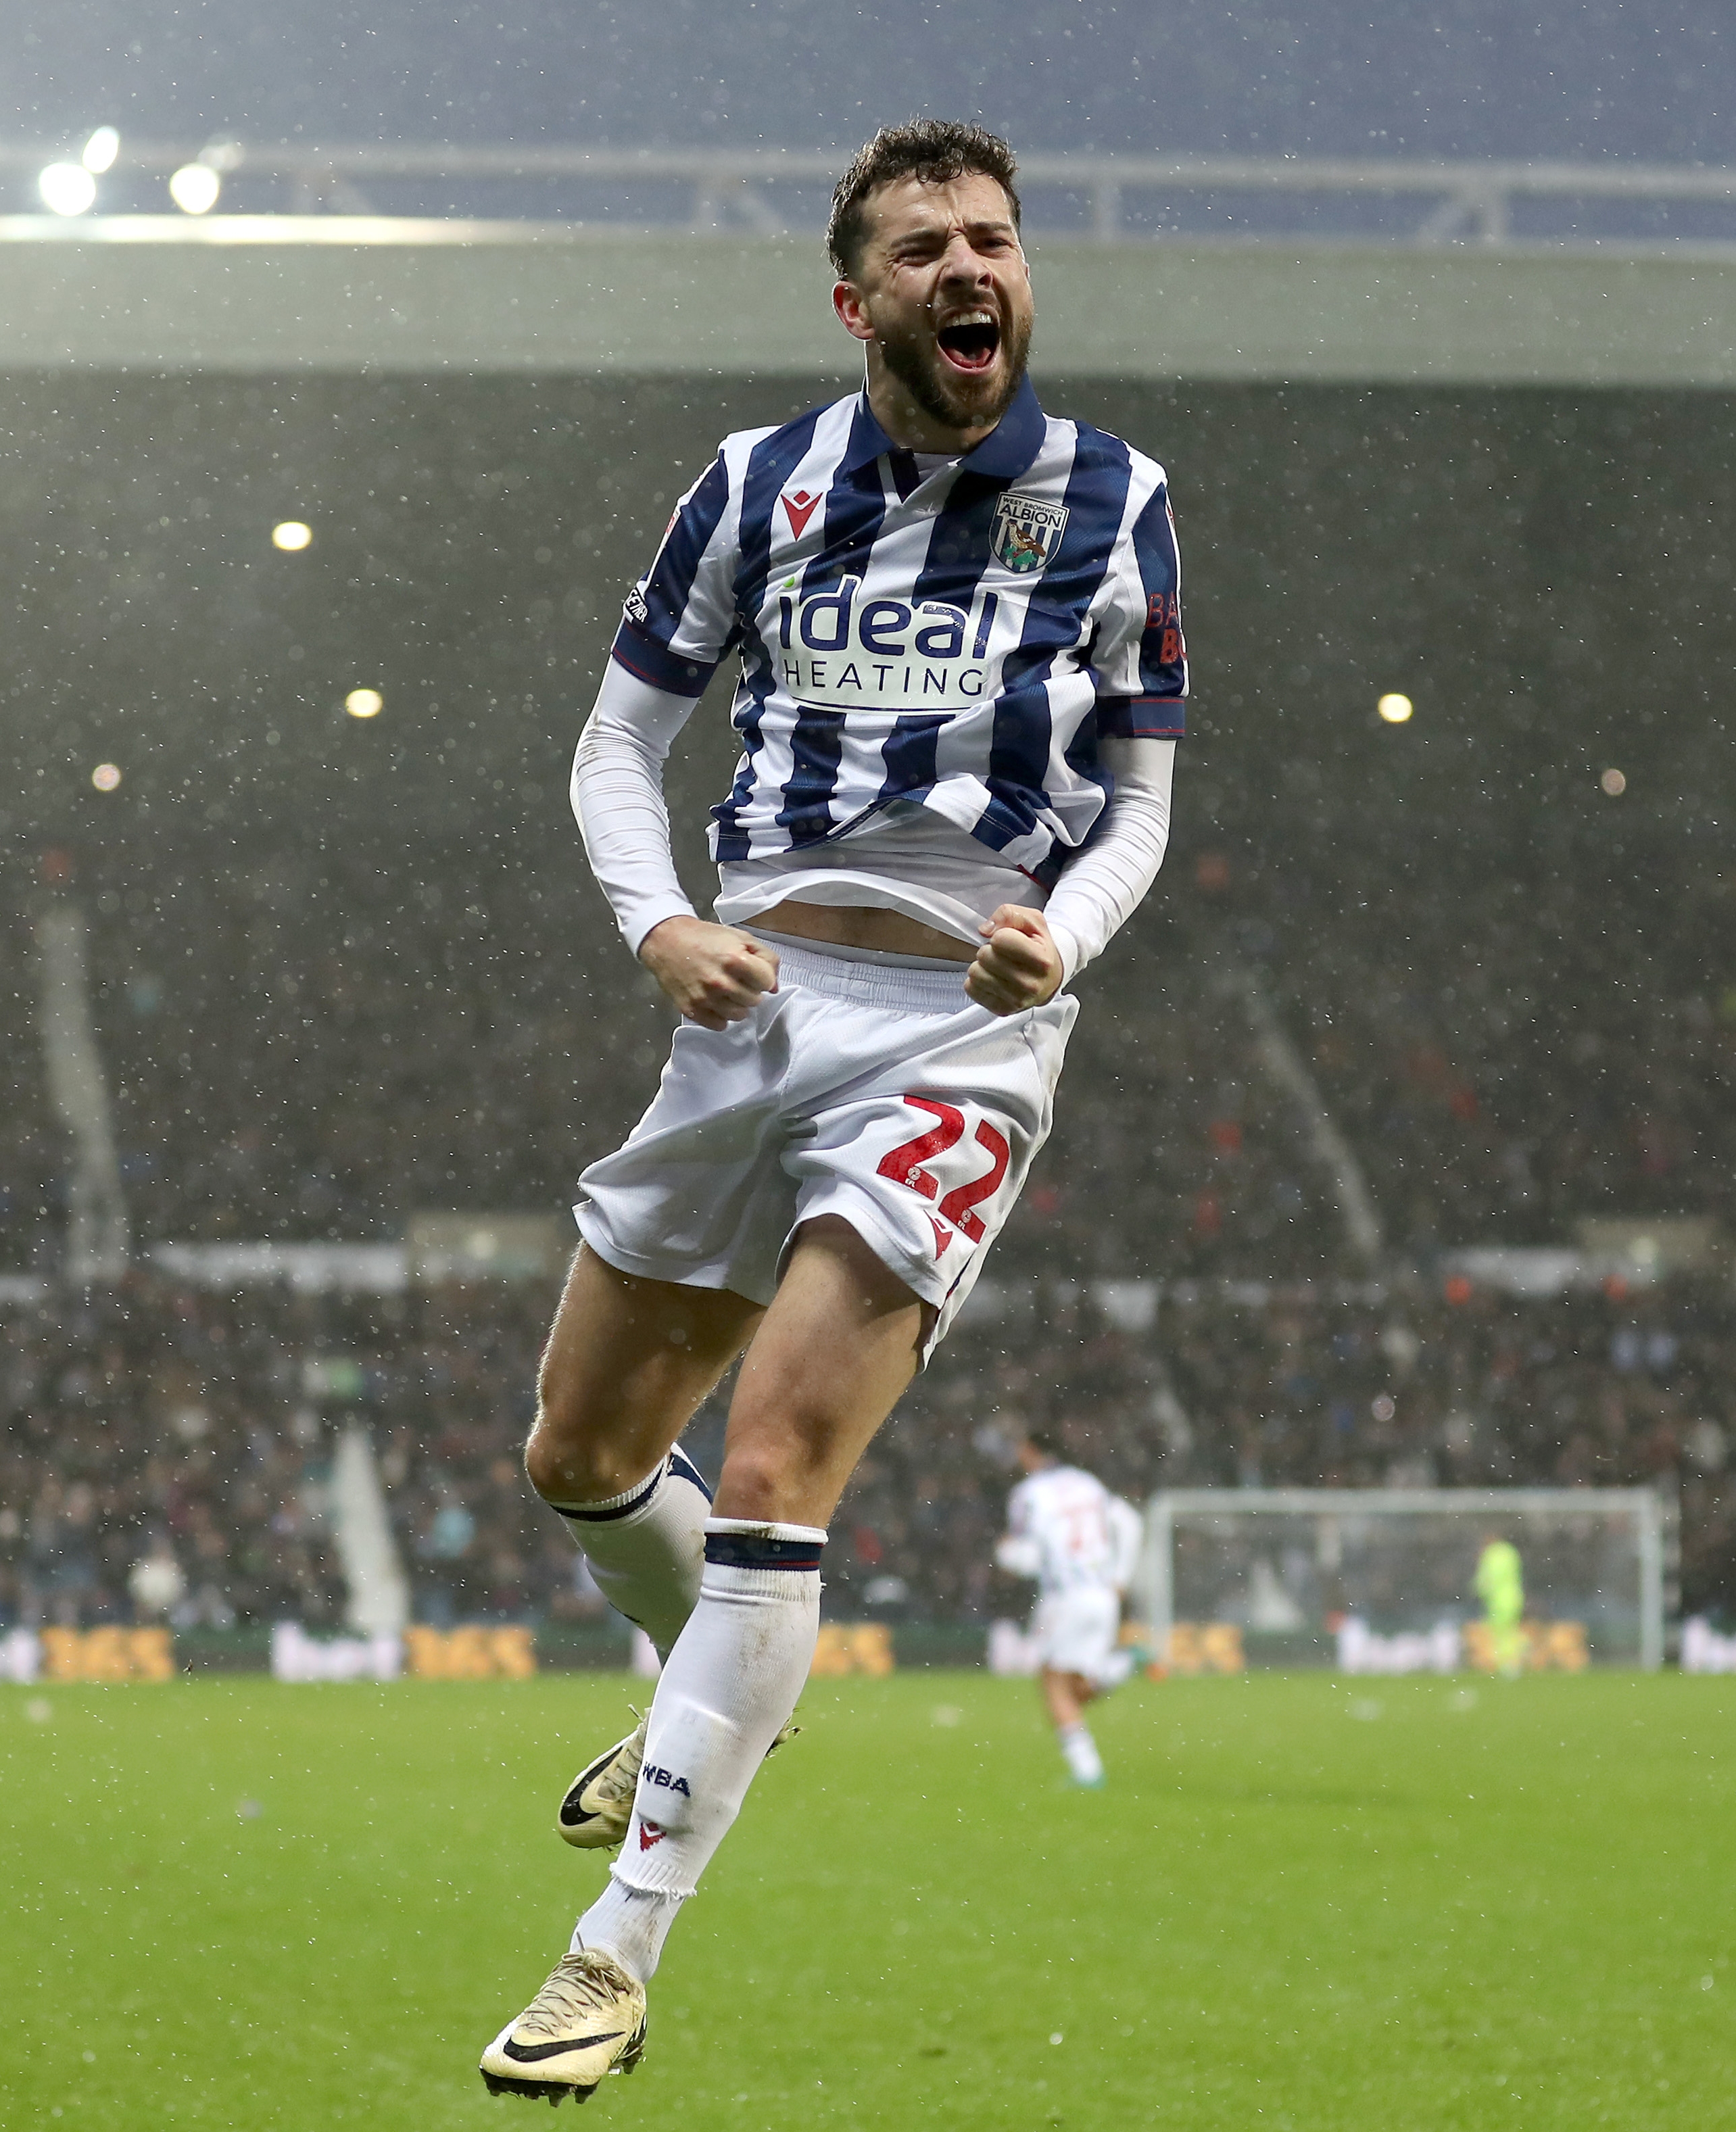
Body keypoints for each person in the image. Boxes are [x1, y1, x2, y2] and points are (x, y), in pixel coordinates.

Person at [478, 118, 1187, 2102]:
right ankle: (719, 1686)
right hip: (751, 997)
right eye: (926, 244)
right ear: (856, 297)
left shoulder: (1115, 504)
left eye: (996, 238)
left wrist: (1072, 931)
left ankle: (609, 1953)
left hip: (955, 1030)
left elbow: (1133, 802)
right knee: (576, 1451)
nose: (974, 265)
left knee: (777, 1464)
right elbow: (619, 737)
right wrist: (656, 925)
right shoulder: (750, 486)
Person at [996, 1433, 1144, 1787]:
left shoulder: (1028, 1494)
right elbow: (1131, 1524)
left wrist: (1004, 1554)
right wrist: (1121, 1575)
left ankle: (1088, 1772)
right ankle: (1121, 1665)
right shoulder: (1087, 1483)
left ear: (1030, 1452)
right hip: (1103, 1595)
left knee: (1054, 1686)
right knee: (1077, 1688)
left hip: (1065, 1596)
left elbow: (1029, 1557)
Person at [1475, 1531, 1526, 1678]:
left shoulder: (1490, 1554)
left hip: (1497, 1600)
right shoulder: (1510, 1551)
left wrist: (1477, 1590)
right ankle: (1515, 1660)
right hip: (1514, 1596)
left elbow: (1487, 1579)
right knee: (1511, 1630)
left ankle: (1506, 1664)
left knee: (1500, 1633)